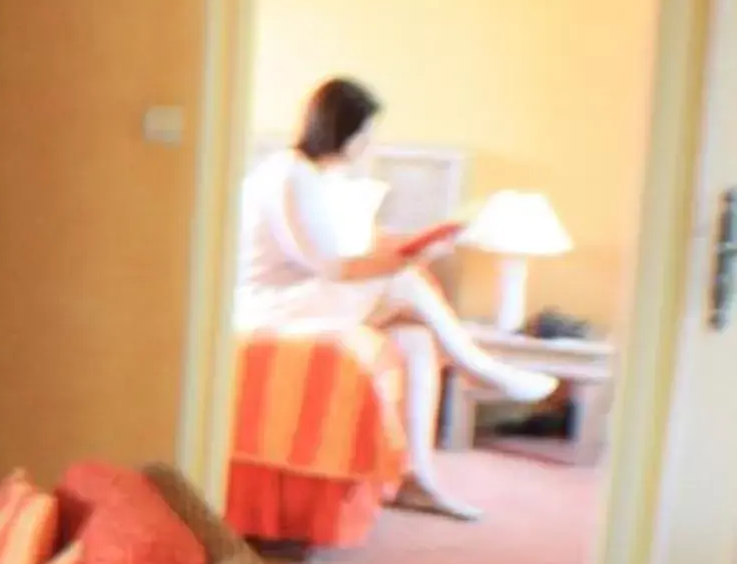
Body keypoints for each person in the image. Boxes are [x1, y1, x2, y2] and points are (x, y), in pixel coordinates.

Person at [235, 76, 558, 522]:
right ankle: (480, 368)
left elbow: (357, 249)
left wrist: (419, 244)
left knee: (415, 340)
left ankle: (416, 479)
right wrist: (405, 261)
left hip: (309, 293)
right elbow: (335, 267)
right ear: (343, 129)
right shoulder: (289, 176)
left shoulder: (325, 180)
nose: (369, 144)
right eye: (366, 133)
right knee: (405, 281)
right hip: (273, 303)